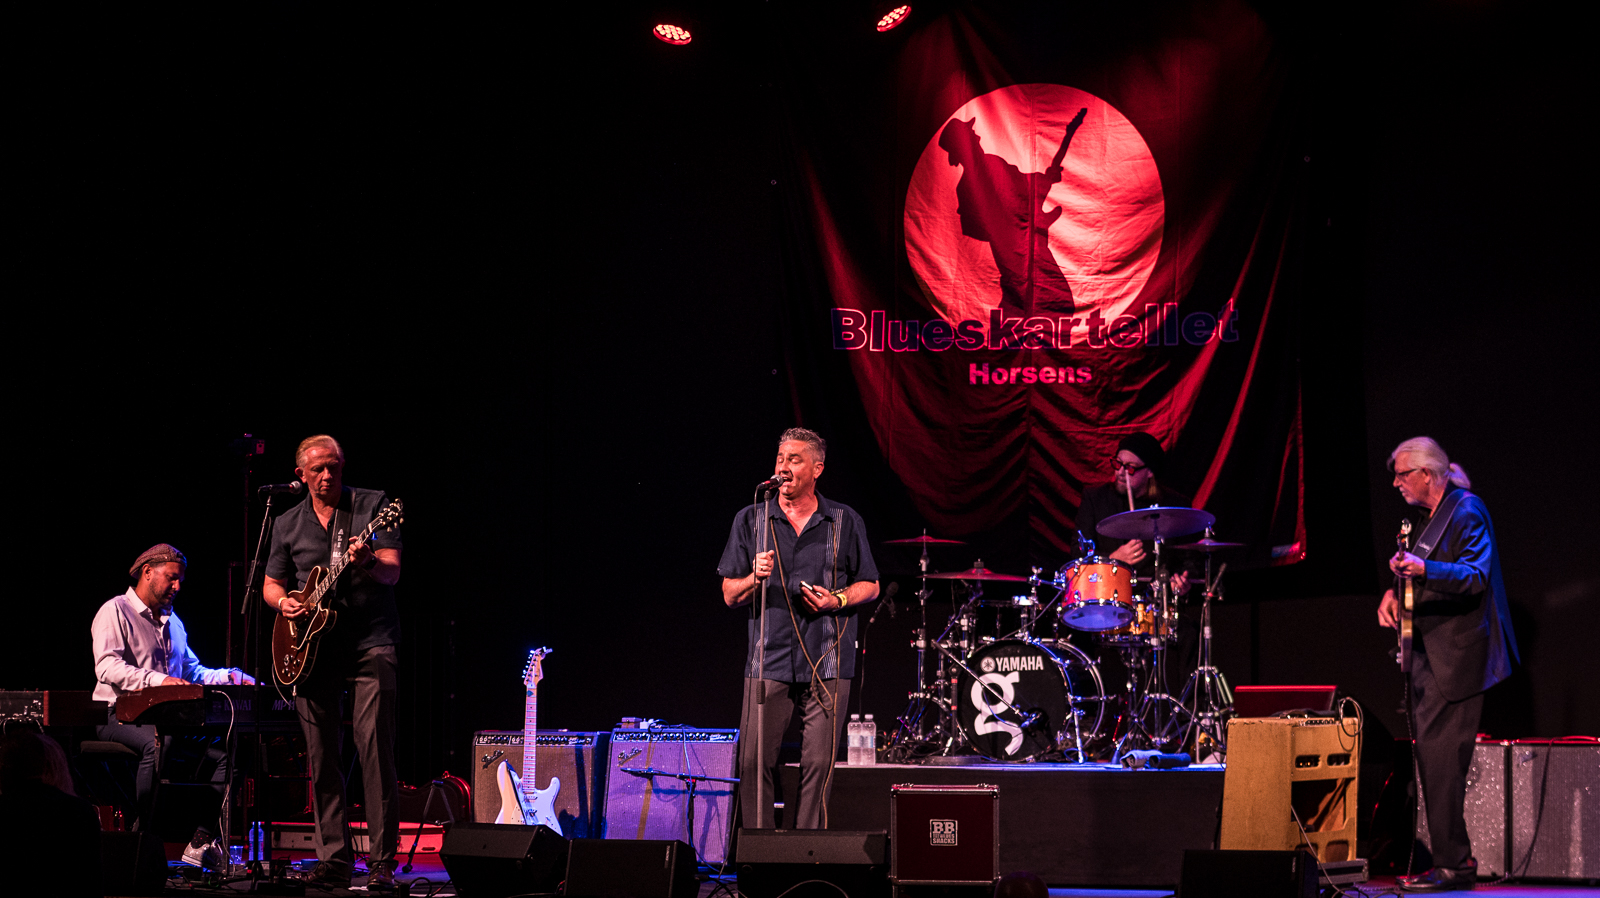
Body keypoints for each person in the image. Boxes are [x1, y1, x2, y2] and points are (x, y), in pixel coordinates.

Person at [1376, 437, 1517, 892]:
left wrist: (1423, 571)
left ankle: (1454, 865)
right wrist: (1393, 593)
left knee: (1440, 765)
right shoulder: (1428, 518)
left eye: (1402, 474)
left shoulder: (1467, 511)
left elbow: (1476, 576)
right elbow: (1417, 569)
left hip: (1457, 658)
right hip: (1428, 654)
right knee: (1434, 764)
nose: (1395, 483)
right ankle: (1452, 862)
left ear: (1427, 474)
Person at [719, 428, 879, 829]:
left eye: (794, 459)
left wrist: (836, 599)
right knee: (753, 760)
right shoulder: (751, 518)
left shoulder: (843, 520)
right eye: (780, 459)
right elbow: (729, 594)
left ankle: (805, 853)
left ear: (817, 469)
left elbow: (871, 584)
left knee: (818, 764)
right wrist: (753, 578)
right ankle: (760, 851)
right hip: (767, 660)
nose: (783, 467)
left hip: (827, 660)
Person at [264, 435, 403, 890]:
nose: (328, 476)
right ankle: (334, 859)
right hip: (312, 649)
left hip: (370, 642)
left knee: (375, 751)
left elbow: (392, 571)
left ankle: (381, 863)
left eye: (335, 467)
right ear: (301, 475)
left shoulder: (373, 505)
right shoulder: (286, 521)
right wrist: (284, 603)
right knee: (322, 756)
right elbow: (270, 584)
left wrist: (367, 562)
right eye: (318, 469)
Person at [91, 543, 253, 832]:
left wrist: (229, 676)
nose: (178, 586)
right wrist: (160, 680)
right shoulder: (115, 610)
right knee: (160, 743)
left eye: (181, 580)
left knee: (234, 751)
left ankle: (202, 837)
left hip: (165, 718)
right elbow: (107, 667)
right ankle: (143, 835)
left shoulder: (173, 623)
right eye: (172, 578)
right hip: (116, 715)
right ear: (147, 572)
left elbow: (191, 672)